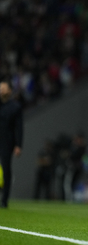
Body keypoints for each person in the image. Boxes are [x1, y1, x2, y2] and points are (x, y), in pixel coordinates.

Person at [0, 79, 23, 208]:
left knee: (6, 169)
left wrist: (18, 145)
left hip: (7, 142)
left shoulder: (15, 107)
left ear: (9, 90)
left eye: (3, 88)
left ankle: (4, 199)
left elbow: (18, 128)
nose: (0, 90)